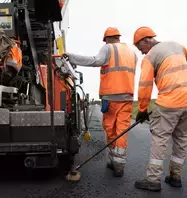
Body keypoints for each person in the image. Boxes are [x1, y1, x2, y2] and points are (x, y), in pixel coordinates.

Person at [63, 27, 138, 177]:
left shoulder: (108, 48)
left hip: (111, 96)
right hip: (128, 96)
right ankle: (118, 163)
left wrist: (71, 57)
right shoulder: (132, 52)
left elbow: (96, 61)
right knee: (122, 129)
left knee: (110, 128)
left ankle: (114, 161)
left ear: (108, 39)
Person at [133, 26, 187, 192]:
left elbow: (145, 86)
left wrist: (142, 109)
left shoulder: (150, 56)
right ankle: (175, 176)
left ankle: (153, 180)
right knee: (181, 138)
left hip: (169, 102)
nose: (141, 52)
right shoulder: (178, 46)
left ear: (146, 40)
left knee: (160, 139)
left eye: (139, 47)